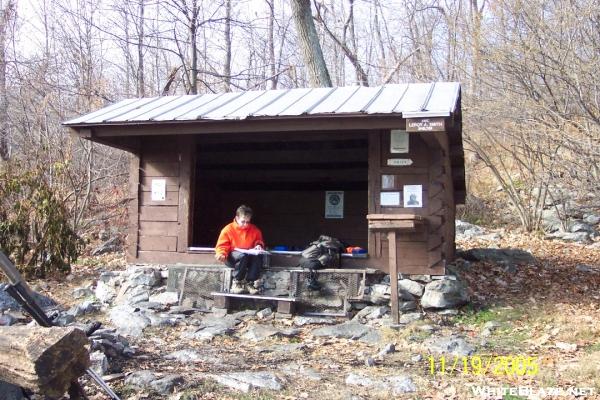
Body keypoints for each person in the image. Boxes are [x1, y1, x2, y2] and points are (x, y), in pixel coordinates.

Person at [215, 205, 265, 294]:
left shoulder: (255, 230)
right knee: (242, 256)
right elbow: (222, 245)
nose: (245, 225)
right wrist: (222, 254)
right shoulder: (228, 229)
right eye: (243, 221)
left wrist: (258, 246)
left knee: (258, 256)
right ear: (237, 218)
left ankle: (250, 283)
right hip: (232, 257)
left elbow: (259, 241)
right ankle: (236, 283)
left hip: (248, 256)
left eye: (247, 222)